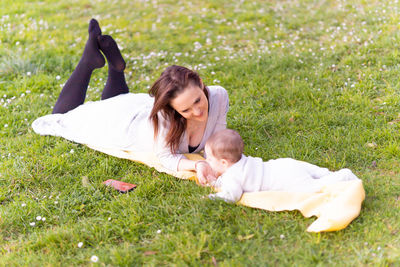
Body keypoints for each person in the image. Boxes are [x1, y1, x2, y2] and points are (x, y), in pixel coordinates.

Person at [32, 19, 229, 183]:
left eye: (197, 100)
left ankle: (115, 69)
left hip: (135, 109)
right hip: (125, 128)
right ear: (173, 109)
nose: (197, 112)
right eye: (186, 110)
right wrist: (197, 164)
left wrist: (216, 159)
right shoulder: (165, 120)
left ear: (202, 84)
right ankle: (88, 61)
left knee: (118, 100)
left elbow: (219, 137)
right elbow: (167, 157)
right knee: (62, 117)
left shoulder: (218, 96)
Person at [204, 129, 360, 202]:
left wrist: (211, 197)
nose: (208, 161)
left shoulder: (233, 176)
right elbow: (227, 179)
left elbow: (232, 194)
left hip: (285, 180)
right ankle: (327, 173)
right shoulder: (240, 161)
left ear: (224, 163)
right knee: (315, 171)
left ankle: (343, 176)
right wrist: (215, 182)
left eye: (210, 159)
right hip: (284, 165)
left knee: (312, 187)